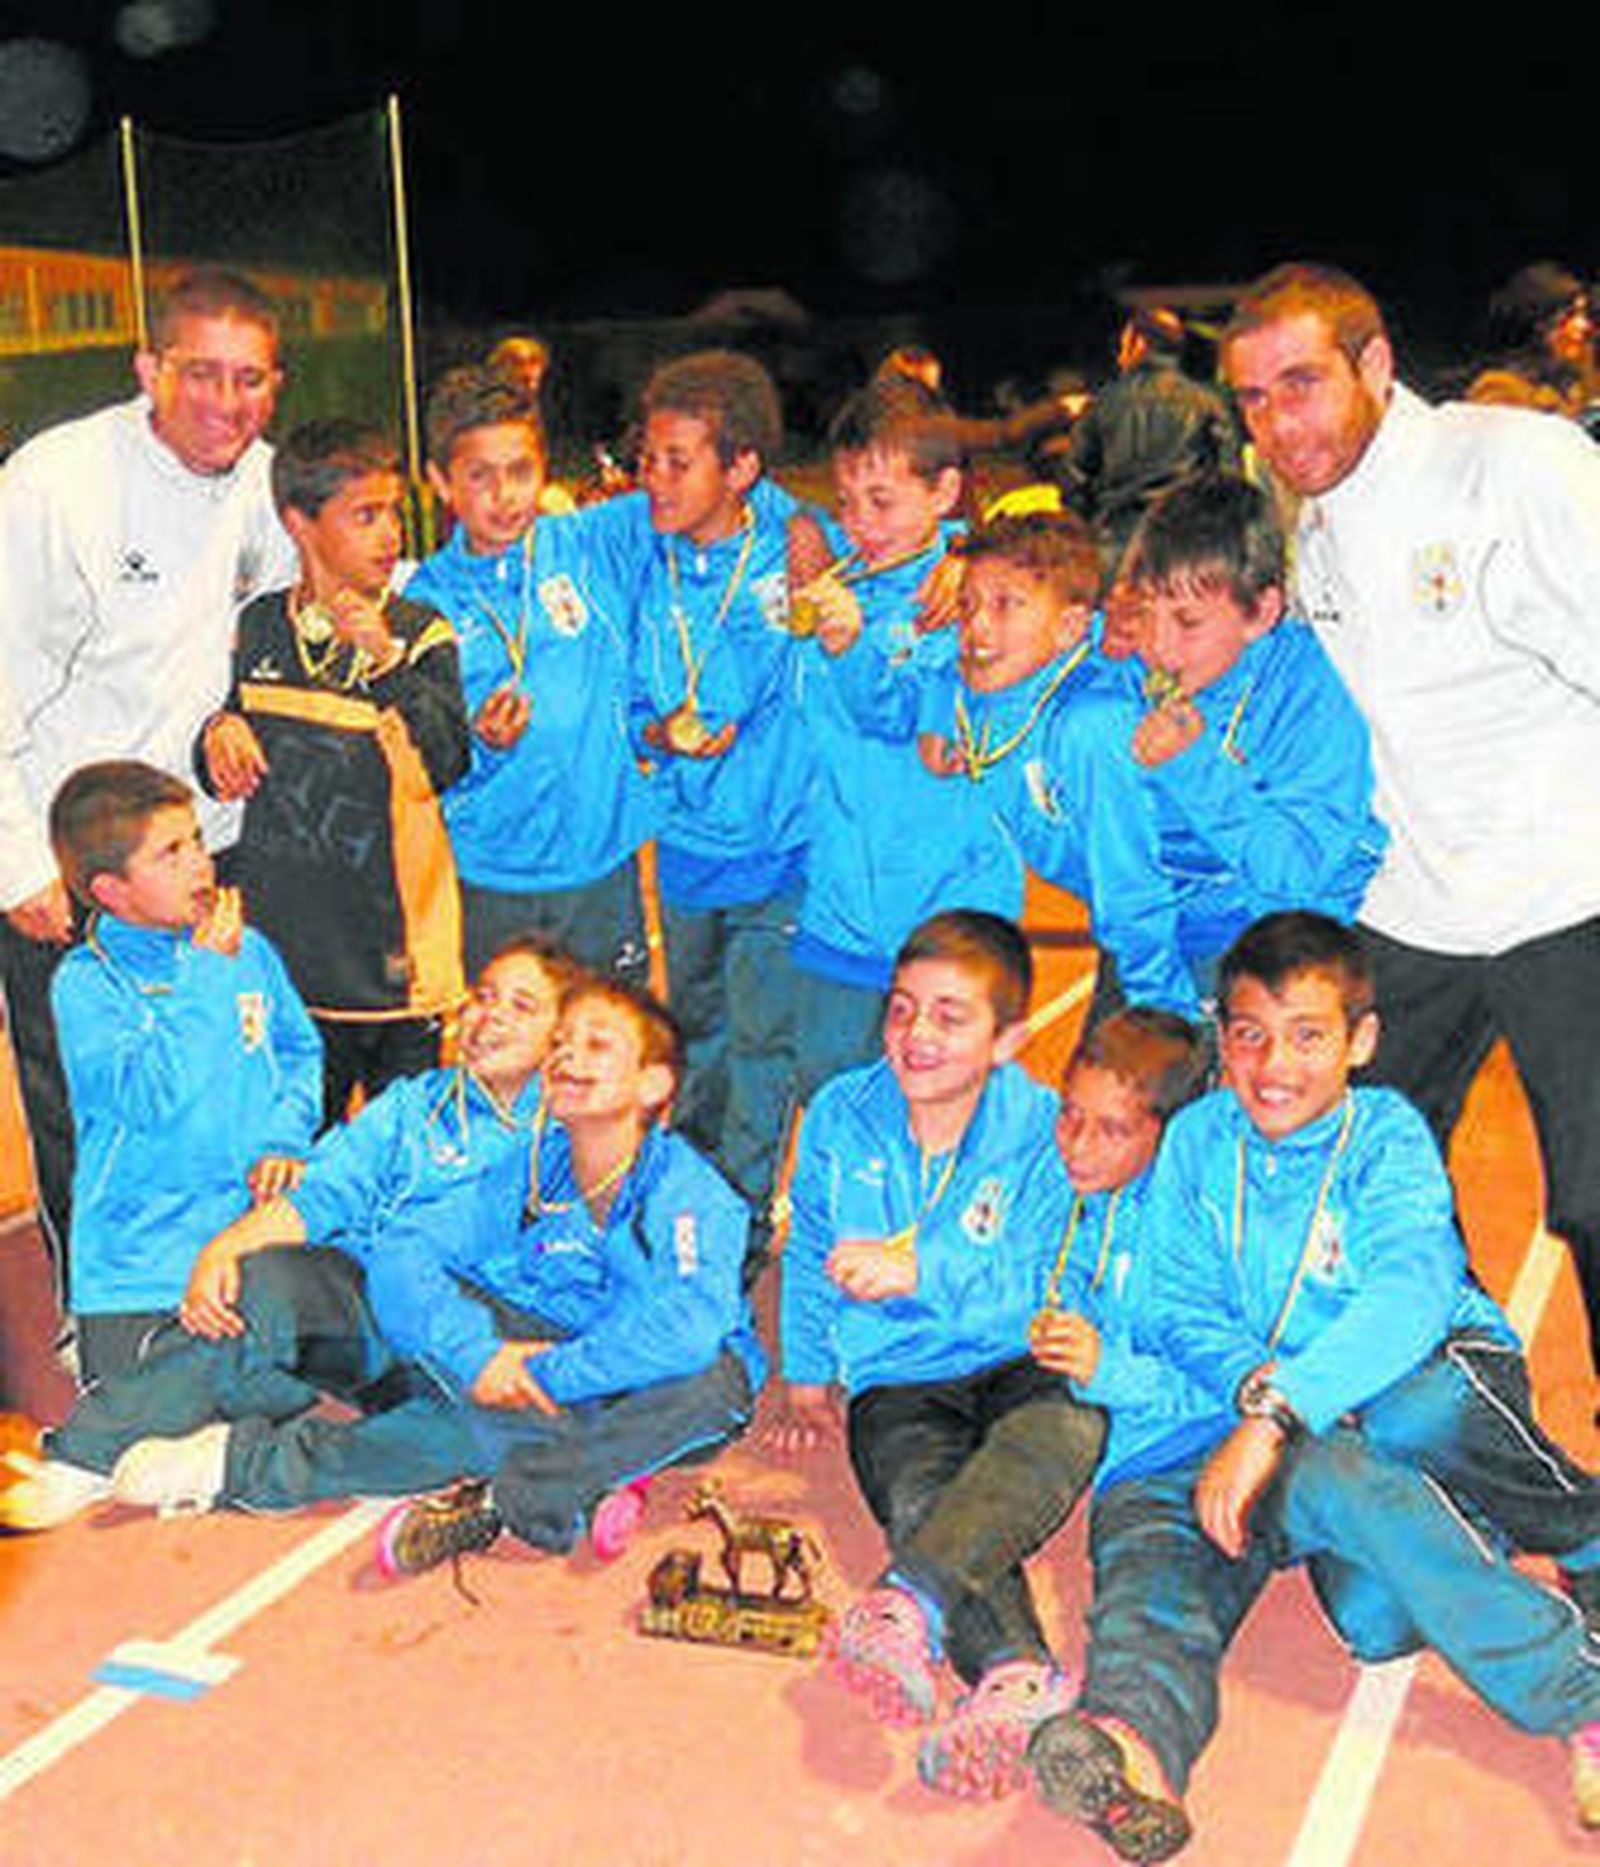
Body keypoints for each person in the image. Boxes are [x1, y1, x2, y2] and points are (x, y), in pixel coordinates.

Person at [1027, 912, 1600, 1856]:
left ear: (1361, 1041)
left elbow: (1409, 1293)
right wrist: (1254, 1390)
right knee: (1224, 1586)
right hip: (1252, 1423)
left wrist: (1277, 1412)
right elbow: (1177, 1303)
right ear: (1222, 1039)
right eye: (1250, 1034)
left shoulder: (1387, 1136)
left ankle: (1580, 1684)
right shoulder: (1197, 1140)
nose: (1274, 1065)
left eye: (1307, 1036)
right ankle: (1131, 1741)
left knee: (1407, 1433)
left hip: (1395, 1386)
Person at [1218, 260, 1600, 1380]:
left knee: (1594, 1201)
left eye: (1301, 384)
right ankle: (1474, 1413)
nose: (1278, 423)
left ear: (1375, 364)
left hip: (1568, 893)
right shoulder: (1316, 519)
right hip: (1412, 908)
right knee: (1370, 1184)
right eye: (1253, 399)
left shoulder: (1517, 465)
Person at [76, 976, 760, 1572]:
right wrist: (477, 1353)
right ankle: (573, 1477)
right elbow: (409, 1249)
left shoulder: (689, 1192)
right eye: (561, 1042)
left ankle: (267, 1469)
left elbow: (688, 1327)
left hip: (639, 1381)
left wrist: (546, 1377)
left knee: (711, 1384)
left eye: (597, 1044)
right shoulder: (531, 1165)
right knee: (339, 1296)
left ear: (653, 1084)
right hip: (539, 1359)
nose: (566, 1056)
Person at [0, 936, 573, 1532]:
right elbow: (322, 1193)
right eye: (484, 997)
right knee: (264, 1279)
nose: (492, 1016)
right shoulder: (412, 1107)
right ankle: (82, 1458)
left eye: (522, 1006)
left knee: (499, 1436)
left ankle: (230, 1463)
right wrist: (225, 1250)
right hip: (368, 1326)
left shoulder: (572, 1139)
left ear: (560, 1039)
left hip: (471, 1360)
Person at [0, 268, 294, 1299]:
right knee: (94, 1110)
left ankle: (211, 1298)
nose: (227, 402)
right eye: (202, 373)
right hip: (77, 868)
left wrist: (231, 716)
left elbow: (277, 633)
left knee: (214, 1084)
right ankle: (106, 1323)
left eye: (250, 379)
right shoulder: (54, 484)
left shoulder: (267, 485)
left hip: (207, 853)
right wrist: (19, 863)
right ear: (148, 370)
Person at [770, 911, 1097, 1793]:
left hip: (1020, 1352)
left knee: (1061, 1434)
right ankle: (1015, 1674)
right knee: (924, 1493)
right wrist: (806, 1369)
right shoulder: (842, 1112)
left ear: (1007, 1039)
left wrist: (922, 1269)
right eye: (902, 1009)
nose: (917, 1035)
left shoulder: (1043, 1126)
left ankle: (906, 1601)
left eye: (951, 1017)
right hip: (899, 1373)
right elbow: (810, 1245)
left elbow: (1048, 1275)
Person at [197, 417, 470, 1125]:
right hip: (287, 965)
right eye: (365, 516)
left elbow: (449, 760)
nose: (391, 535)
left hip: (396, 968)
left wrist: (387, 663)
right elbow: (226, 738)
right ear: (299, 523)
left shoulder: (420, 632)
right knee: (294, 1156)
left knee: (399, 1158)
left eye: (394, 513)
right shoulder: (259, 626)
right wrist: (217, 735)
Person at [595, 350, 808, 1226]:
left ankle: (744, 1217)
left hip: (781, 852)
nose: (655, 478)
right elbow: (632, 703)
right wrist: (657, 731)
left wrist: (951, 558)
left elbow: (913, 538)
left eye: (678, 462)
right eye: (648, 458)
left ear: (742, 467)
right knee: (692, 1038)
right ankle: (690, 1205)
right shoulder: (644, 556)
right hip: (683, 849)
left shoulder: (798, 548)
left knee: (763, 1042)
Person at [41, 761, 321, 1390]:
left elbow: (297, 1051)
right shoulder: (89, 985)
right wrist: (206, 978)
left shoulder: (246, 950)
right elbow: (152, 1096)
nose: (201, 863)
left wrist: (284, 1140)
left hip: (246, 1250)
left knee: (272, 1409)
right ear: (112, 891)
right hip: (141, 1274)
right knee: (148, 1436)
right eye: (171, 853)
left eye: (196, 840)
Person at [787, 375, 1015, 1098]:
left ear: (944, 492)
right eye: (846, 502)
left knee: (949, 1107)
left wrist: (851, 646)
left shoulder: (979, 597)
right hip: (839, 913)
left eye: (882, 502)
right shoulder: (836, 583)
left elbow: (892, 715)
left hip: (950, 916)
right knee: (828, 1091)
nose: (860, 523)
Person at [403, 365, 653, 985]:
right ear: (440, 481)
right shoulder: (422, 606)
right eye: (480, 476)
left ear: (544, 470)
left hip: (601, 865)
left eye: (520, 471)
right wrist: (481, 744)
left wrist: (939, 548)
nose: (505, 494)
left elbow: (710, 497)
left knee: (612, 1034)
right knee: (508, 1040)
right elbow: (426, 762)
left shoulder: (591, 544)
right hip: (491, 878)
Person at [1111, 471, 1387, 998]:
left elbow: (1298, 872)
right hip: (1167, 932)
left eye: (1188, 622)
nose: (1160, 645)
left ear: (1261, 612)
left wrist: (1192, 764)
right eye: (1146, 611)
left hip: (1285, 947)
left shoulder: (1312, 690)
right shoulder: (1127, 668)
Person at [918, 510, 1198, 1020]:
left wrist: (1161, 1016)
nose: (977, 625)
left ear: (1070, 626)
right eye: (968, 605)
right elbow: (936, 653)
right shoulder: (1000, 688)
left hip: (1205, 928)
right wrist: (938, 714)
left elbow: (1133, 880)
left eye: (1006, 605)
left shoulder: (1091, 726)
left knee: (1137, 1067)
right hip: (1140, 926)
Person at [1056, 304, 1240, 576]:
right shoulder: (1208, 403)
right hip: (1186, 543)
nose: (1120, 354)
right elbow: (1230, 483)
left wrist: (1091, 524)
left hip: (1115, 545)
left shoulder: (1104, 403)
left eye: (1123, 345)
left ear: (1139, 343)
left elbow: (1073, 480)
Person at [1465, 261, 1598, 426]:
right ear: (1539, 325)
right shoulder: (1498, 390)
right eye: (1570, 315)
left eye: (1584, 314)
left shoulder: (1575, 388)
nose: (1585, 326)